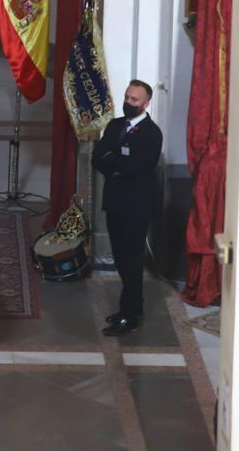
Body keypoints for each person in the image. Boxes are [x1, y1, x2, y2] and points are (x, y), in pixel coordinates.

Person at [92, 79, 164, 337]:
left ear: (146, 103)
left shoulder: (151, 134)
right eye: (127, 97)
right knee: (120, 258)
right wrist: (118, 163)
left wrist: (116, 161)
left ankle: (130, 314)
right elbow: (98, 158)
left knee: (131, 260)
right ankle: (132, 306)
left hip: (135, 206)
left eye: (134, 100)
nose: (128, 103)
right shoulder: (114, 126)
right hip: (115, 202)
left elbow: (137, 168)